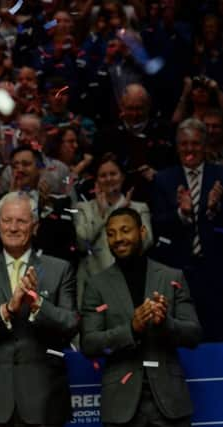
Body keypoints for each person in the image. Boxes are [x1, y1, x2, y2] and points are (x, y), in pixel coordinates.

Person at [0, 191, 78, 427]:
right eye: (7, 220)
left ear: (34, 226)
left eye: (22, 221)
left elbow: (70, 324)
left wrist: (38, 306)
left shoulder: (60, 269)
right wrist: (7, 309)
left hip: (44, 400)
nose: (13, 227)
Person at [81, 207, 202, 427]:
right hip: (121, 405)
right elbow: (89, 344)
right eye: (111, 233)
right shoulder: (95, 285)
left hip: (171, 404)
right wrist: (131, 329)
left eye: (125, 230)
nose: (118, 239)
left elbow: (193, 335)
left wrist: (166, 322)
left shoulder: (171, 277)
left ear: (142, 231)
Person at [151, 118, 223, 341]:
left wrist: (214, 210)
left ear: (204, 145)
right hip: (178, 270)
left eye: (195, 144)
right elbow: (156, 223)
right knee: (182, 334)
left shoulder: (220, 176)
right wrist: (181, 214)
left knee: (216, 331)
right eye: (184, 144)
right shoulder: (164, 179)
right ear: (177, 146)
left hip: (216, 269)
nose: (189, 149)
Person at [74, 153, 153, 306]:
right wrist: (102, 216)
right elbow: (82, 243)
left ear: (122, 177)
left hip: (131, 279)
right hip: (93, 283)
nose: (109, 179)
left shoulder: (139, 208)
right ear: (96, 181)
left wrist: (125, 216)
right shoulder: (83, 208)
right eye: (103, 175)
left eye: (113, 174)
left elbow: (147, 242)